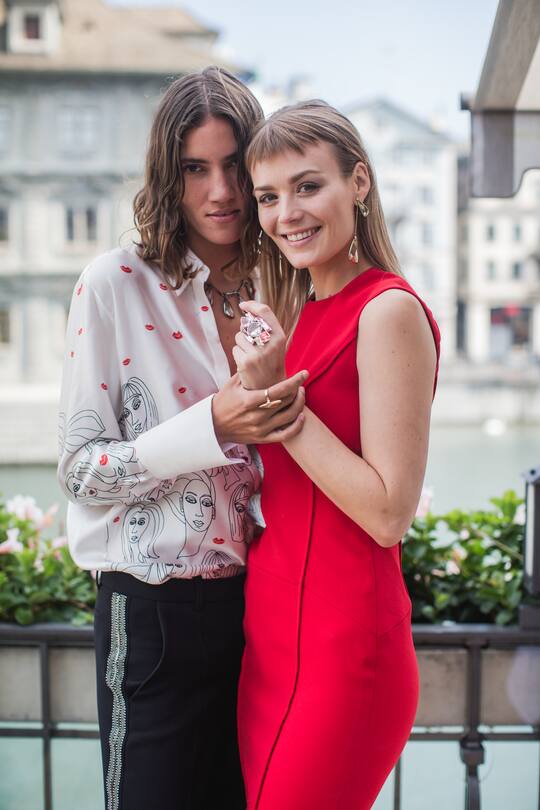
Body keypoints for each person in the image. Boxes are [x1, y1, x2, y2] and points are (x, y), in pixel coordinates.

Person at [57, 67, 307, 810]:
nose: (222, 192)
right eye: (197, 169)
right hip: (152, 611)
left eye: (234, 165)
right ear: (169, 176)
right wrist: (213, 427)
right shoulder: (113, 284)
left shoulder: (288, 278)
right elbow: (78, 470)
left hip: (266, 614)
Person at [233, 100, 441, 810]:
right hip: (271, 645)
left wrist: (280, 409)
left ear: (359, 183)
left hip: (345, 653)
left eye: (307, 185)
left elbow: (388, 513)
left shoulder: (388, 311)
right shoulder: (302, 318)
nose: (286, 211)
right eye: (268, 196)